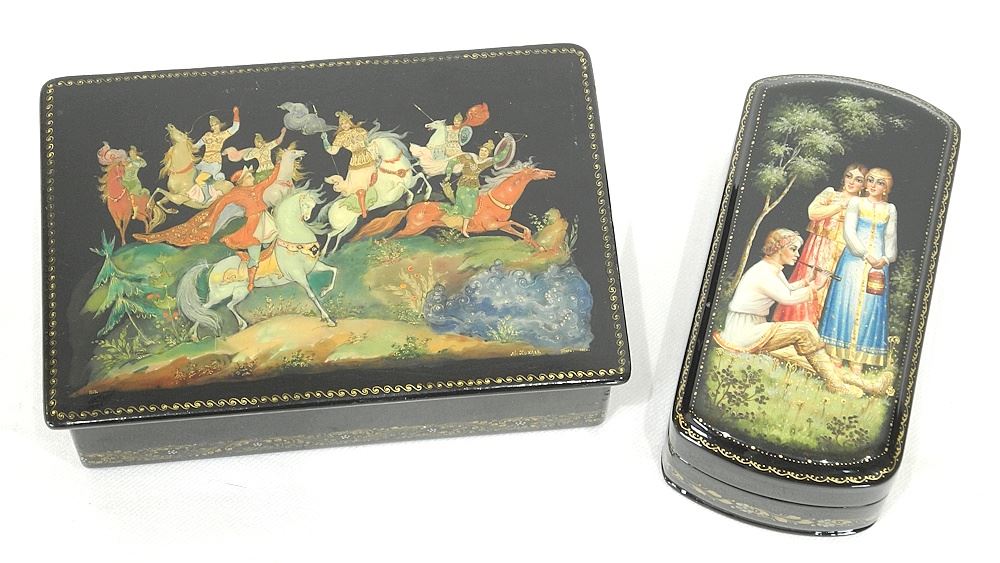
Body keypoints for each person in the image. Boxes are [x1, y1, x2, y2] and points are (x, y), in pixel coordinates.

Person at [714, 228, 892, 396]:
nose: (798, 254)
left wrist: (807, 281)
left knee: (807, 359)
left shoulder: (772, 269)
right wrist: (815, 287)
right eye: (793, 249)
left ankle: (869, 385)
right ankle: (836, 386)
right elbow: (787, 297)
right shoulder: (764, 273)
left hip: (752, 329)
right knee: (805, 330)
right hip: (744, 332)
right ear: (778, 249)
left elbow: (787, 289)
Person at [819, 167, 898, 374]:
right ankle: (836, 358)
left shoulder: (890, 209)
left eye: (879, 182)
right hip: (853, 261)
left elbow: (890, 238)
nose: (873, 185)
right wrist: (864, 254)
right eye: (870, 180)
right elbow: (849, 232)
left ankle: (857, 363)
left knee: (869, 307)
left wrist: (885, 259)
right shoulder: (856, 202)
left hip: (878, 266)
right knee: (846, 302)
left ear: (886, 188)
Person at [773, 163, 867, 325]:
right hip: (818, 246)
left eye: (858, 180)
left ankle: (820, 328)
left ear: (864, 185)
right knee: (809, 279)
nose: (851, 182)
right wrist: (840, 206)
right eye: (849, 176)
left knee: (832, 287)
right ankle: (796, 323)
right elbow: (813, 213)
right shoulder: (830, 194)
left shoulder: (864, 204)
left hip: (843, 251)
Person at [321, 111, 374, 218]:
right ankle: (363, 211)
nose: (344, 125)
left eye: (346, 122)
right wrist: (325, 140)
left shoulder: (360, 131)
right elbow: (332, 151)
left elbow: (369, 143)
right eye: (342, 124)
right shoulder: (340, 136)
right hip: (355, 163)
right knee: (359, 189)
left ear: (350, 122)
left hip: (369, 158)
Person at [442, 139, 497, 237]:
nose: (483, 152)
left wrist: (508, 143)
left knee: (472, 207)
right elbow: (452, 162)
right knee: (466, 206)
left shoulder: (486, 162)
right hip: (463, 185)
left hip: (474, 187)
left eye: (486, 151)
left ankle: (464, 229)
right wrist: (448, 175)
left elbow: (501, 157)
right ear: (479, 150)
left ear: (488, 154)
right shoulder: (468, 157)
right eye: (482, 150)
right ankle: (461, 228)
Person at [193, 106, 241, 201]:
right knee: (192, 173)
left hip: (214, 163)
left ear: (220, 124)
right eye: (212, 125)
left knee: (199, 179)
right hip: (204, 162)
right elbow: (196, 146)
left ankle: (207, 196)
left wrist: (236, 113)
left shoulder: (222, 135)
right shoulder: (207, 135)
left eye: (216, 124)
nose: (214, 127)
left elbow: (235, 128)